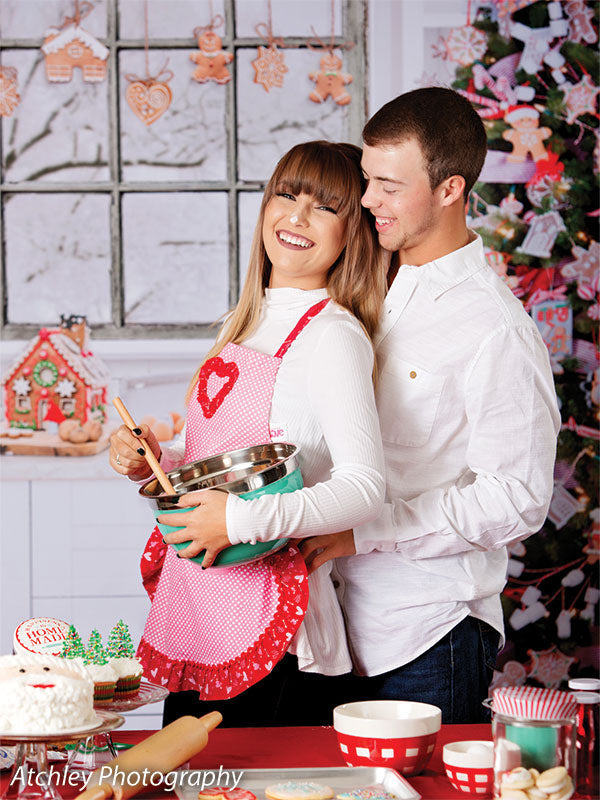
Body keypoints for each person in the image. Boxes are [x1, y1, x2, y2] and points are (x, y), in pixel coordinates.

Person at [301, 87, 561, 723]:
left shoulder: (495, 327)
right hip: (335, 633)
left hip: (427, 638)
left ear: (449, 189)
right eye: (367, 180)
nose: (366, 202)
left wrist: (363, 531)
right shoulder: (369, 283)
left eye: (389, 186)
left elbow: (517, 498)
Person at [109, 140, 387, 727]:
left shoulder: (332, 336)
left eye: (326, 206)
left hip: (275, 631)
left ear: (352, 232)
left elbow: (365, 489)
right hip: (204, 609)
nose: (297, 216)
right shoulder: (247, 324)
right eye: (286, 195)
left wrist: (238, 521)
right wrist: (160, 458)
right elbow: (231, 461)